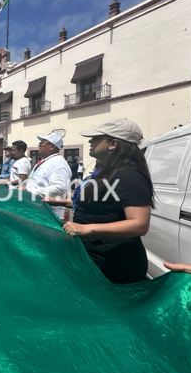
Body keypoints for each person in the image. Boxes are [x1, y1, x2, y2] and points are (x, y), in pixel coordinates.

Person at [62, 118, 154, 284]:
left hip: (114, 264)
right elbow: (99, 206)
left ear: (113, 143)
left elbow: (139, 224)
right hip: (97, 256)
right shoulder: (107, 172)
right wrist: (58, 201)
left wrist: (87, 228)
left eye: (96, 138)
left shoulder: (128, 175)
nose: (90, 141)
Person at [25, 132, 71, 219]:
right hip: (39, 211)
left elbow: (59, 188)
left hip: (50, 215)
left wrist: (28, 192)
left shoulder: (58, 163)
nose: (39, 144)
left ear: (52, 146)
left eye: (42, 142)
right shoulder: (47, 161)